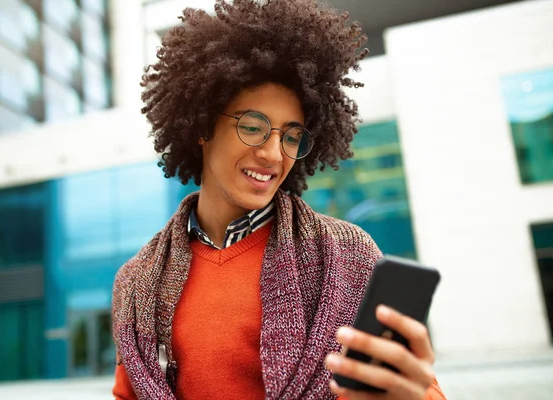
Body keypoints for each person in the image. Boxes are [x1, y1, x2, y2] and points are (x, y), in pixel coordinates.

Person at [112, 0, 447, 399]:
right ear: (202, 125)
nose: (274, 154)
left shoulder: (347, 256)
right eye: (253, 127)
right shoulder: (135, 282)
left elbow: (413, 387)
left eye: (291, 136)